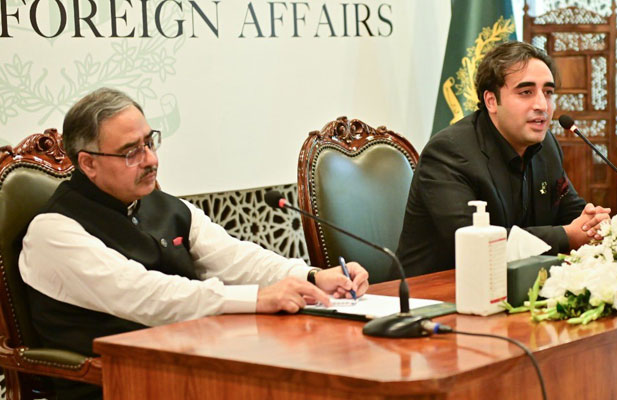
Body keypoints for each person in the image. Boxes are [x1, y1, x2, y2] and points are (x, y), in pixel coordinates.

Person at [19, 88, 369, 399]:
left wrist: (310, 277)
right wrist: (257, 299)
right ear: (88, 163)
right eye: (130, 152)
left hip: (187, 365)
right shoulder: (54, 232)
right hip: (113, 383)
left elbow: (232, 257)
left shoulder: (165, 205)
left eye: (149, 142)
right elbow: (145, 296)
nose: (151, 160)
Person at [396, 41, 611, 277]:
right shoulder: (448, 152)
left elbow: (570, 209)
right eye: (526, 92)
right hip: (432, 295)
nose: (542, 105)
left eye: (548, 93)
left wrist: (593, 222)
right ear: (491, 101)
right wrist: (567, 235)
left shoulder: (546, 145)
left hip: (512, 286)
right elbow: (477, 245)